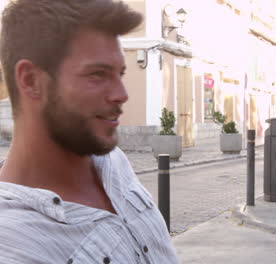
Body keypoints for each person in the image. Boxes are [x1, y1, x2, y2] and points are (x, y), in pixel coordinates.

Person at [0, 0, 178, 263]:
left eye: (120, 73)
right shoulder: (13, 243)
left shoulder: (113, 162)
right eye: (97, 74)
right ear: (31, 80)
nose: (122, 95)